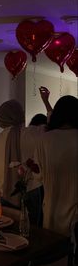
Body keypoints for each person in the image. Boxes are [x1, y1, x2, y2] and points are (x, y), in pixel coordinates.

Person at [0, 87, 52, 225]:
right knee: (33, 234)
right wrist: (46, 102)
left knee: (9, 233)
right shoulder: (31, 133)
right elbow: (53, 129)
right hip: (30, 193)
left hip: (4, 194)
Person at [34, 95, 78, 237]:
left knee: (53, 252)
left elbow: (37, 176)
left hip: (51, 210)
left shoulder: (44, 140)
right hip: (75, 212)